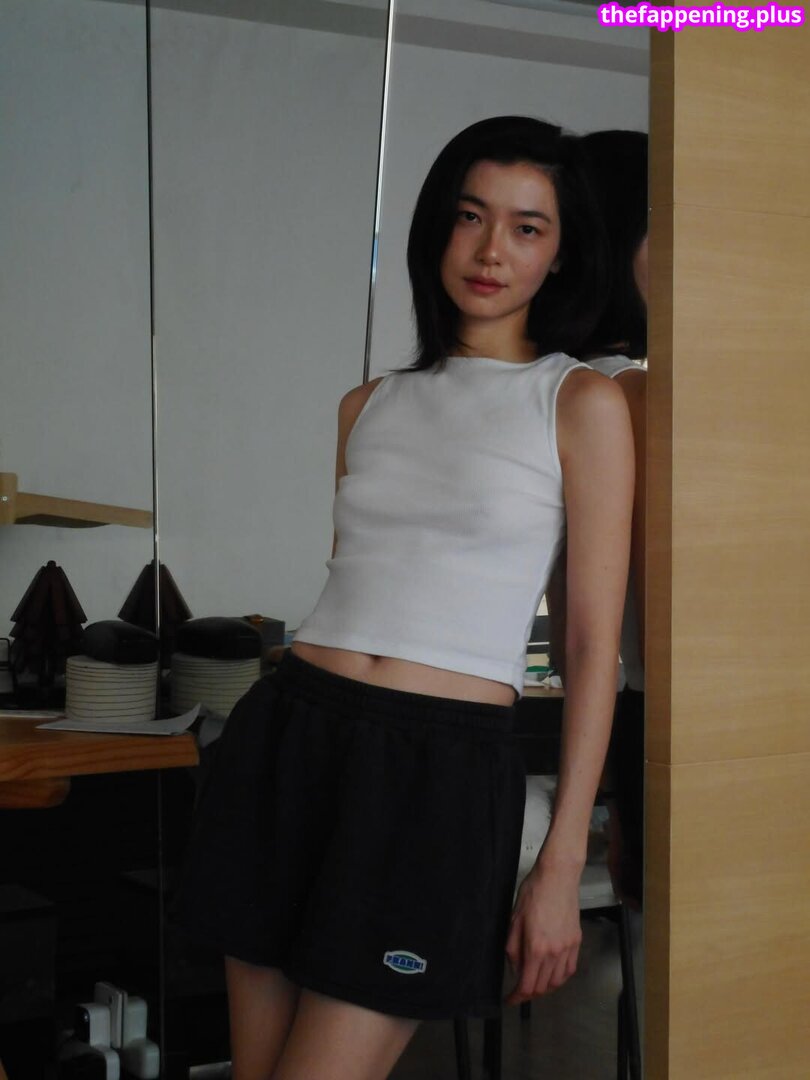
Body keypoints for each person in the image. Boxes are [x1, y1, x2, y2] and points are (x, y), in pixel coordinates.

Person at [176, 116, 635, 1080]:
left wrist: (559, 864)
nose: (490, 250)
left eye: (526, 227)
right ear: (438, 228)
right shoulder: (368, 404)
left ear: (560, 254)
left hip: (439, 775)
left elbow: (594, 647)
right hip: (291, 736)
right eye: (471, 217)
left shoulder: (580, 404)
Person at [548, 129, 648, 907]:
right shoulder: (625, 394)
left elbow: (572, 638)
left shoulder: (567, 386)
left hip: (639, 708)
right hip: (674, 707)